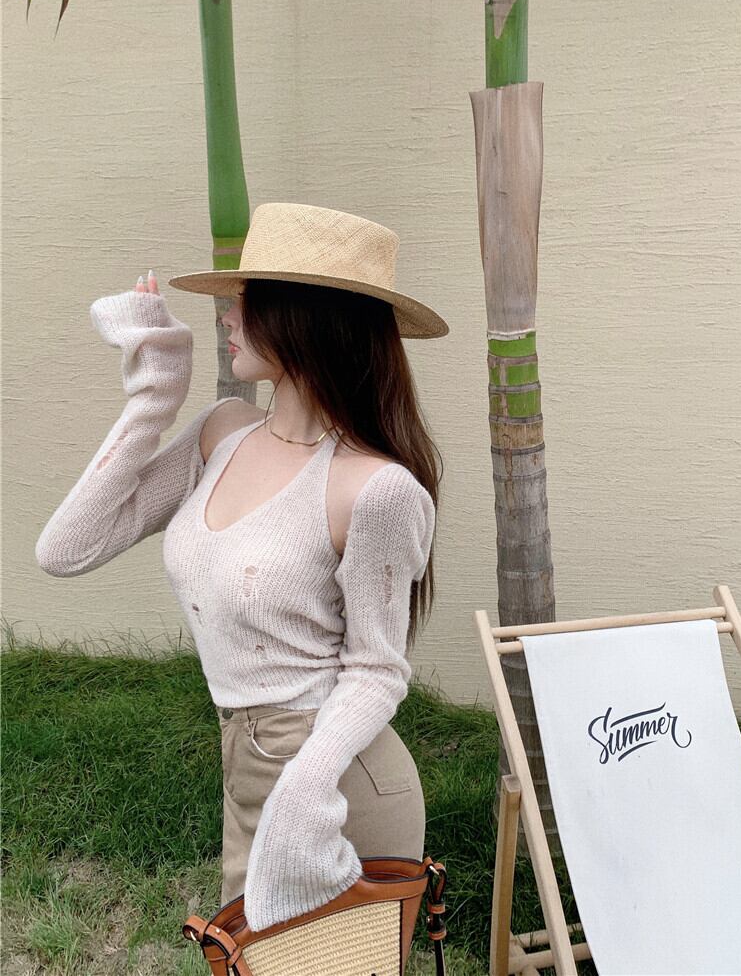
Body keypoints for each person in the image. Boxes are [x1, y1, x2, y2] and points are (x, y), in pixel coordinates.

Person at [34, 202, 449, 934]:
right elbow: (66, 549)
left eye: (247, 299)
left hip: (334, 775)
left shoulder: (374, 489)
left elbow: (378, 670)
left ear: (303, 319)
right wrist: (154, 394)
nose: (228, 314)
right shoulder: (223, 434)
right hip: (250, 757)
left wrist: (303, 789)